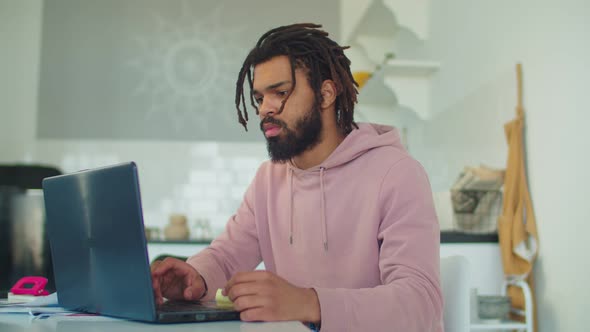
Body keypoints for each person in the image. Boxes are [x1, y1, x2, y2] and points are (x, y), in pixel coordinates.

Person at [151, 23, 443, 331]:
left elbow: (420, 303)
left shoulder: (397, 174)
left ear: (326, 94)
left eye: (280, 92)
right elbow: (226, 257)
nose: (266, 108)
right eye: (260, 97)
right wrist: (195, 277)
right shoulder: (269, 179)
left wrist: (310, 303)